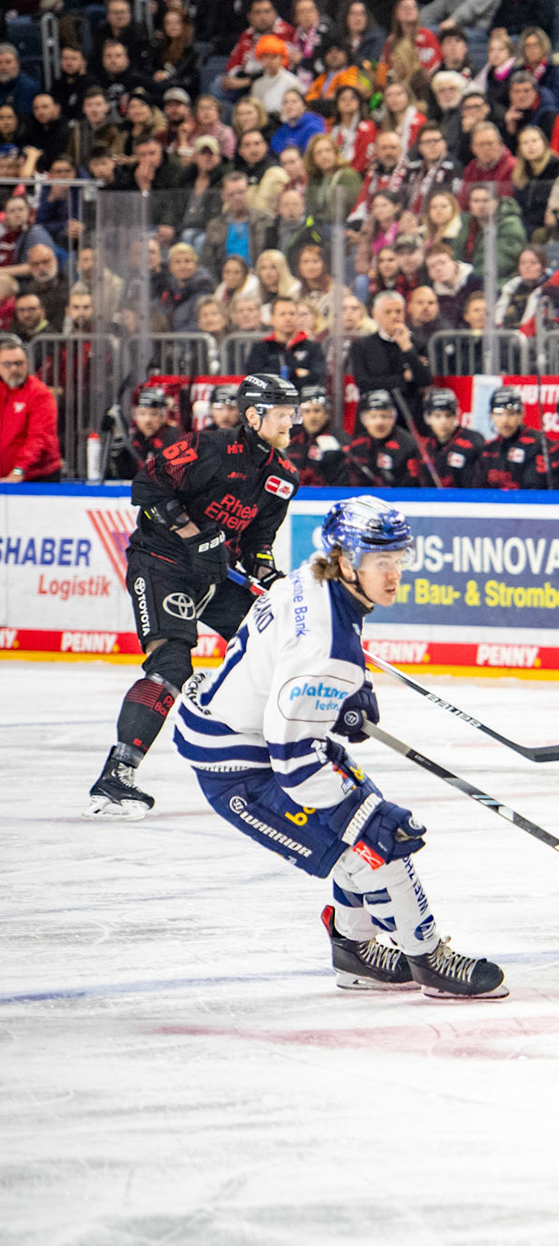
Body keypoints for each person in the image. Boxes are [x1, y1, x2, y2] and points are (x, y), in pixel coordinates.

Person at [172, 495, 506, 998]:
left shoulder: (315, 575)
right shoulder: (329, 652)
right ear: (348, 560)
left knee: (365, 824)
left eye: (398, 560)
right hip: (242, 764)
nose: (394, 574)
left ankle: (355, 951)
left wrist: (349, 691)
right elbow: (293, 762)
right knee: (377, 843)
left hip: (252, 730)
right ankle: (429, 961)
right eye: (380, 562)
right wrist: (366, 821)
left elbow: (301, 656)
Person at [84, 374, 302, 819]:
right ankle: (117, 774)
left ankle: (281, 758)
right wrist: (195, 534)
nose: (291, 423)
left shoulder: (283, 478)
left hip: (215, 574)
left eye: (292, 414)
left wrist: (270, 578)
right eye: (283, 414)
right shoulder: (209, 448)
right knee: (171, 664)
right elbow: (146, 488)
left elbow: (257, 542)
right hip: (161, 563)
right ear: (254, 415)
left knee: (276, 645)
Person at [348, 290, 436, 425]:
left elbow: (424, 380)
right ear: (375, 315)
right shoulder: (361, 345)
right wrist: (403, 379)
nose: (395, 316)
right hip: (373, 414)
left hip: (409, 415)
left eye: (398, 311)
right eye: (388, 312)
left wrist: (407, 348)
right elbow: (364, 383)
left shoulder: (418, 344)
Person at [0, 335, 59, 483]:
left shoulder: (40, 394)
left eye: (18, 363)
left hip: (37, 477)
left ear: (27, 363)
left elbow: (39, 437)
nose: (14, 368)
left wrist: (20, 468)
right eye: (7, 364)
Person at [346, 388, 428, 487]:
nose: (379, 422)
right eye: (373, 416)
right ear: (364, 420)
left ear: (393, 418)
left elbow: (412, 486)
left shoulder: (408, 445)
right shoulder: (357, 445)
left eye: (384, 416)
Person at [479, 388, 552, 489]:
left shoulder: (537, 443)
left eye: (511, 413)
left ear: (521, 414)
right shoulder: (488, 449)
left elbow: (535, 489)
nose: (505, 420)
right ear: (491, 416)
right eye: (499, 413)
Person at [420, 388, 486, 488]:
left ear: (456, 416)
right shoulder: (424, 446)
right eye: (437, 416)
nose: (443, 422)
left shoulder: (473, 441)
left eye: (448, 415)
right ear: (428, 418)